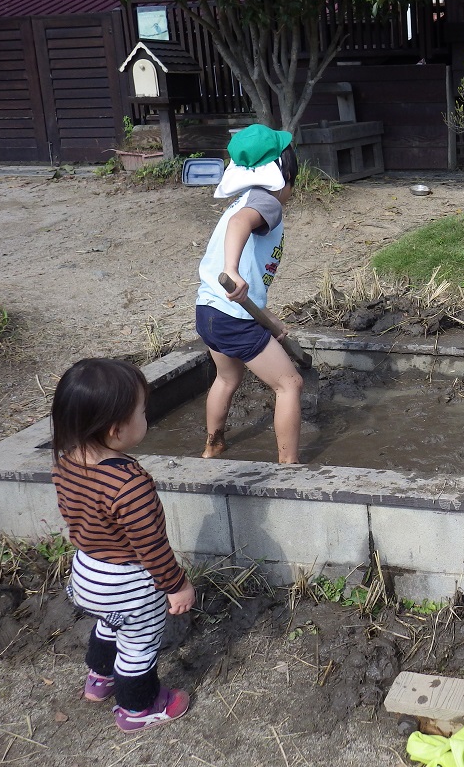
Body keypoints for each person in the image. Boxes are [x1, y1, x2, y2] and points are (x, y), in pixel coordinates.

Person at [50, 358, 195, 733]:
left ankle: (99, 680)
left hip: (87, 573)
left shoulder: (66, 462)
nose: (146, 418)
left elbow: (73, 514)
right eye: (142, 413)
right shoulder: (130, 484)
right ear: (116, 430)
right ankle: (138, 707)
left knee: (109, 625)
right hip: (128, 582)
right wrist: (176, 585)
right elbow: (151, 547)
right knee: (139, 645)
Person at [195, 124, 303, 463]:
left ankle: (213, 445)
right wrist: (232, 269)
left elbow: (246, 279)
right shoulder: (265, 201)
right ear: (283, 174)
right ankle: (289, 464)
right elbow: (240, 223)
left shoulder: (245, 198)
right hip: (232, 317)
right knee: (290, 384)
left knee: (227, 378)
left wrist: (267, 317)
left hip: (208, 310)